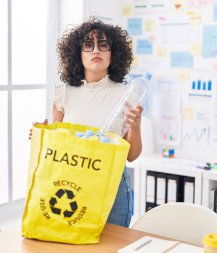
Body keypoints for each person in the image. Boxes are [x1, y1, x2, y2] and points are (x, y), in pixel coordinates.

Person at [31, 18, 143, 227]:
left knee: (113, 245)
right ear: (77, 53)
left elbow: (132, 155)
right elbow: (56, 146)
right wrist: (41, 135)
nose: (96, 51)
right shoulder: (63, 93)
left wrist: (135, 127)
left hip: (113, 187)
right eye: (88, 45)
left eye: (103, 45)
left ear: (113, 52)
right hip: (72, 185)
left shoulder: (127, 94)